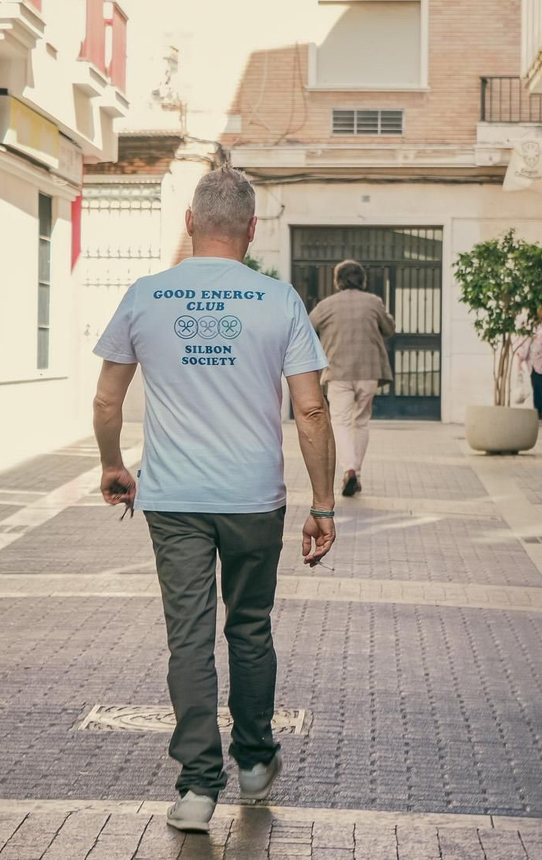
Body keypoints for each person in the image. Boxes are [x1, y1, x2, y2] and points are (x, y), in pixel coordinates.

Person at [91, 166, 338, 834]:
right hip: (254, 498)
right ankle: (254, 762)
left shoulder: (146, 296)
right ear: (252, 229)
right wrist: (323, 503)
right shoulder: (279, 300)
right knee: (249, 628)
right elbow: (311, 409)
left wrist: (113, 464)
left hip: (174, 499)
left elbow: (108, 399)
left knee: (190, 639)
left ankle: (198, 788)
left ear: (190, 222)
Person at [307, 259, 394, 497]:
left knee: (341, 422)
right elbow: (389, 328)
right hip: (369, 372)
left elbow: (307, 327)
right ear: (362, 279)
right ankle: (357, 474)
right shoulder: (374, 302)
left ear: (338, 281)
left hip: (338, 371)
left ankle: (349, 469)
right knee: (361, 421)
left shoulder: (327, 305)